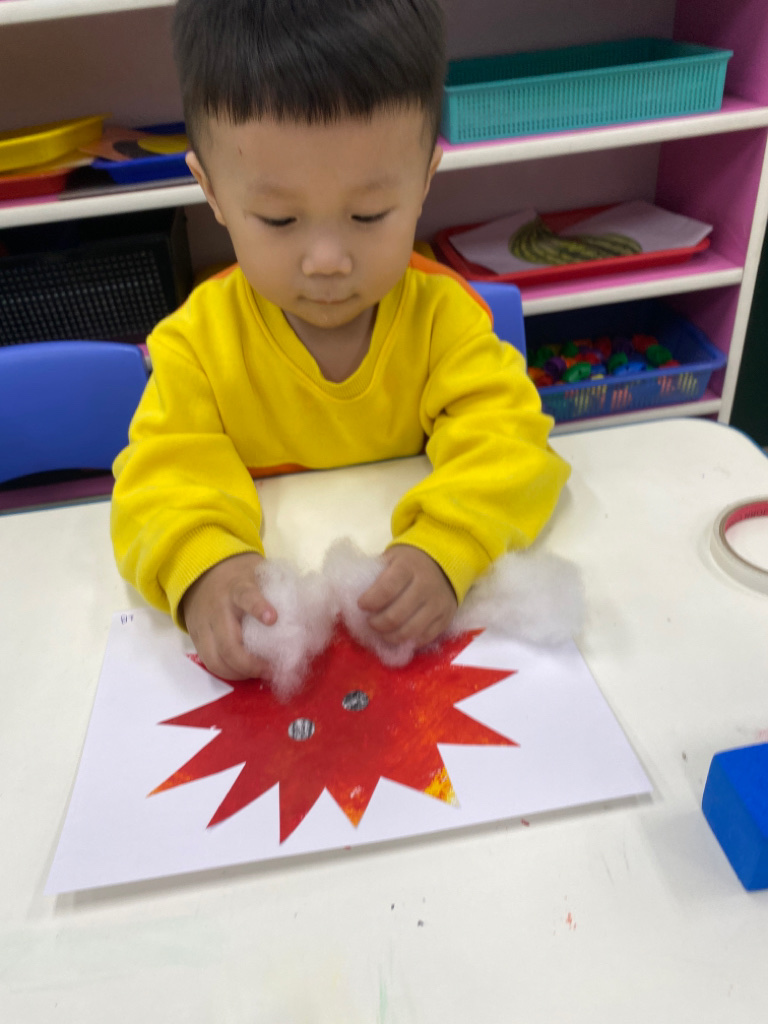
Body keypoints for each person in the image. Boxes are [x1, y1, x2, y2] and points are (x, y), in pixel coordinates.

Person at [111, 0, 570, 683]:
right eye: (279, 219)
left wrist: (448, 545)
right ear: (210, 191)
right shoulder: (197, 347)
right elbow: (160, 477)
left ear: (425, 180)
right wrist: (205, 564)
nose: (327, 260)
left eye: (368, 214)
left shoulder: (444, 322)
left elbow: (511, 442)